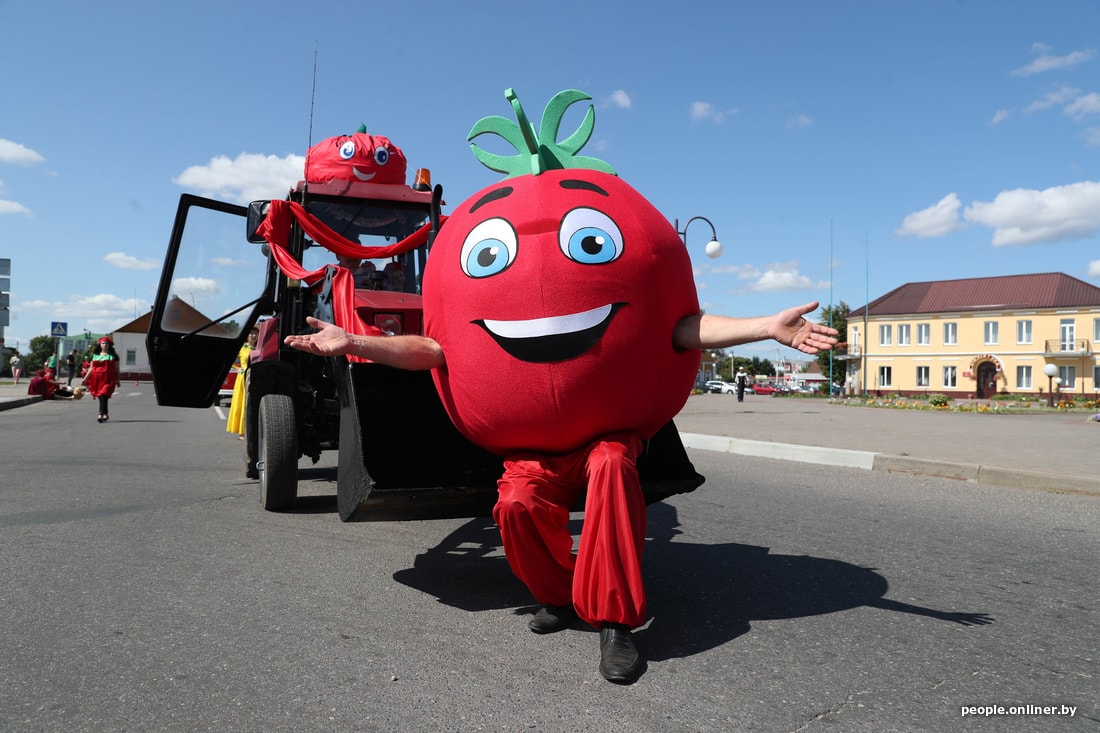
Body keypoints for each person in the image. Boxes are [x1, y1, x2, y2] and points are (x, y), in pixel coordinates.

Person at [286, 302, 837, 680]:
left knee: (614, 469)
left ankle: (615, 621)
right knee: (515, 504)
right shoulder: (496, 302)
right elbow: (431, 349)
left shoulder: (603, 295)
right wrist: (353, 341)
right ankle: (559, 594)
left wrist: (767, 326)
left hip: (605, 435)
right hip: (532, 446)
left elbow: (680, 328)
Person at [226, 327, 259, 438]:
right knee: (243, 403)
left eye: (256, 334)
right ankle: (242, 431)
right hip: (243, 378)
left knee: (253, 404)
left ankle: (253, 431)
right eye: (251, 333)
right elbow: (229, 358)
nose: (254, 336)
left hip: (256, 378)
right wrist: (236, 368)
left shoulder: (260, 348)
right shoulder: (242, 347)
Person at [84, 337, 120, 423]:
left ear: (109, 345)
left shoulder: (113, 356)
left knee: (104, 393)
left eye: (107, 343)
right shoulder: (95, 355)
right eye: (103, 343)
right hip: (96, 378)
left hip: (108, 378)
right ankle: (105, 413)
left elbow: (117, 369)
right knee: (101, 396)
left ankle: (100, 413)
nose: (105, 345)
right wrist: (85, 379)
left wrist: (118, 379)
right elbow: (91, 368)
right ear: (100, 345)